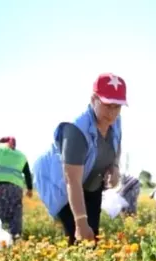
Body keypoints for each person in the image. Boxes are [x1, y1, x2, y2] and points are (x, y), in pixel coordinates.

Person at [33, 73, 125, 245]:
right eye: (107, 105)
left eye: (117, 106)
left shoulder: (115, 121)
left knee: (93, 237)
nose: (112, 113)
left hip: (91, 182)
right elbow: (71, 181)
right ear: (93, 99)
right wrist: (80, 222)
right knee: (77, 235)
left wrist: (114, 167)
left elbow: (116, 145)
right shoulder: (76, 130)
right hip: (62, 185)